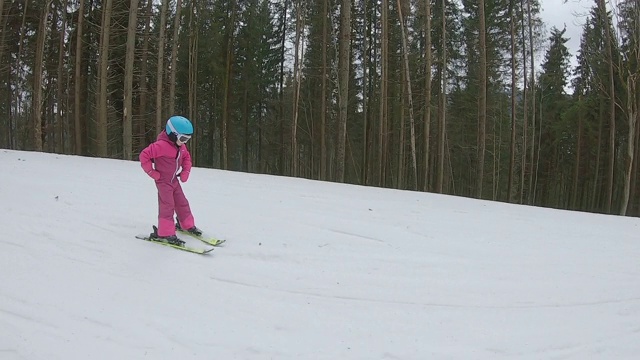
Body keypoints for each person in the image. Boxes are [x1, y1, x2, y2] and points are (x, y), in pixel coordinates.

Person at [140, 115, 202, 245]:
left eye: (188, 139)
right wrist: (152, 172)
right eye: (183, 138)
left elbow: (186, 158)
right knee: (167, 205)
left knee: (182, 202)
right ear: (172, 134)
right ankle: (165, 233)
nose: (185, 142)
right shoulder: (160, 146)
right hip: (163, 181)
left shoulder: (180, 146)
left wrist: (186, 171)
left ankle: (186, 224)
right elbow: (144, 155)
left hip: (174, 180)